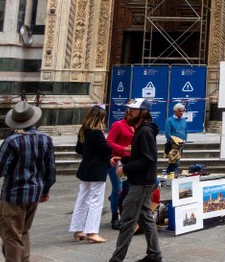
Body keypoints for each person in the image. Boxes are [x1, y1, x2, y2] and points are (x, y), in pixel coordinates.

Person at [0, 101, 56, 262]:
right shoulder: (45, 139)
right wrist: (45, 191)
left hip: (13, 195)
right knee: (24, 231)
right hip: (34, 194)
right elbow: (51, 170)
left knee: (11, 235)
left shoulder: (12, 141)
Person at [109, 98, 162, 262]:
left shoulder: (144, 132)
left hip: (141, 182)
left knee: (127, 220)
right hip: (142, 180)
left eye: (133, 110)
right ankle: (154, 255)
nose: (129, 112)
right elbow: (140, 156)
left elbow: (149, 159)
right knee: (145, 217)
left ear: (143, 112)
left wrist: (126, 168)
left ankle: (116, 259)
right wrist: (123, 160)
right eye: (129, 109)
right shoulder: (141, 130)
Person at [69, 105, 111, 244]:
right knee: (96, 201)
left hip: (85, 168)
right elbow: (106, 150)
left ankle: (78, 229)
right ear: (99, 118)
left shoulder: (84, 131)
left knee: (82, 199)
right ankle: (92, 232)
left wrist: (90, 154)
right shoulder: (96, 132)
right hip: (97, 169)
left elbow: (78, 149)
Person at [106, 102, 137, 229]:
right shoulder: (118, 125)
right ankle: (114, 217)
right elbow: (109, 142)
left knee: (127, 189)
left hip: (129, 163)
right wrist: (124, 149)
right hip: (116, 160)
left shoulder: (136, 127)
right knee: (117, 189)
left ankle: (124, 214)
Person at [164, 103, 188, 176]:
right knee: (173, 159)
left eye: (182, 111)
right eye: (180, 111)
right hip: (173, 144)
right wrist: (174, 141)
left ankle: (171, 172)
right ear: (175, 111)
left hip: (181, 144)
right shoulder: (170, 120)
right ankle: (171, 172)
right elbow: (168, 133)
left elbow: (185, 131)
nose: (182, 113)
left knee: (178, 159)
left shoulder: (184, 120)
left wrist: (185, 140)